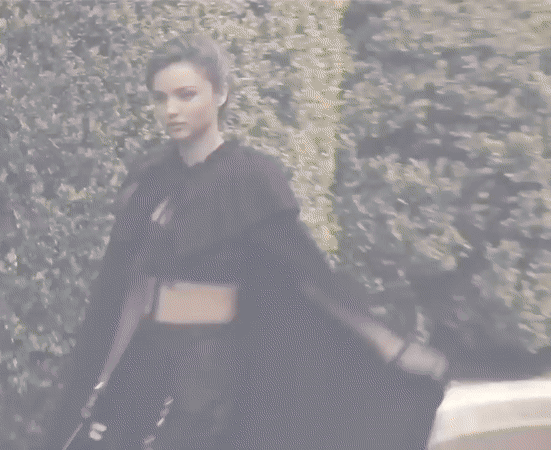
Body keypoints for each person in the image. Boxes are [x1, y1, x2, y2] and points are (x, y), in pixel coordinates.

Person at [40, 34, 448, 450]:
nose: (171, 109)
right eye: (160, 98)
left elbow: (307, 274)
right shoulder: (151, 179)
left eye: (185, 95)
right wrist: (101, 380)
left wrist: (389, 346)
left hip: (208, 368)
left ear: (220, 94)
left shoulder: (250, 178)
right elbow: (132, 287)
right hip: (145, 360)